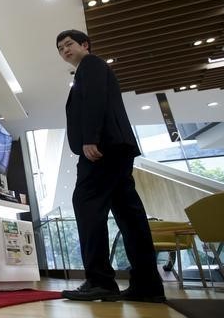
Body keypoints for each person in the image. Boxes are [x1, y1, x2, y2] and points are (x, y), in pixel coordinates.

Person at [56, 29, 165, 303]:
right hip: (117, 149)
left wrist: (90, 137)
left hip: (102, 149)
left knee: (86, 204)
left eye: (69, 44)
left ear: (85, 44)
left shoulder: (90, 64)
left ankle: (101, 281)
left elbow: (94, 100)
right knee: (130, 216)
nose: (65, 50)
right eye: (60, 48)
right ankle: (147, 284)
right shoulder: (92, 68)